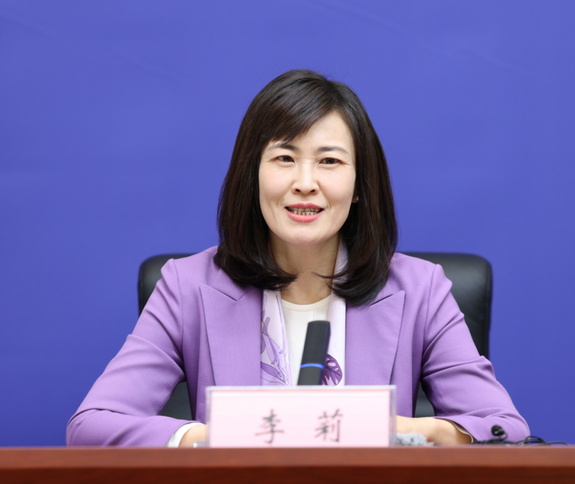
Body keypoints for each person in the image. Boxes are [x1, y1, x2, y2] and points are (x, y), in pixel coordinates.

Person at [67, 69, 528, 447]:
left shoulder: (421, 290)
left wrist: (402, 431)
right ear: (252, 175)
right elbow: (91, 426)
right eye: (284, 158)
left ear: (359, 185)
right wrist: (216, 438)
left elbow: (504, 427)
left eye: (329, 161)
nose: (305, 183)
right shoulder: (185, 287)